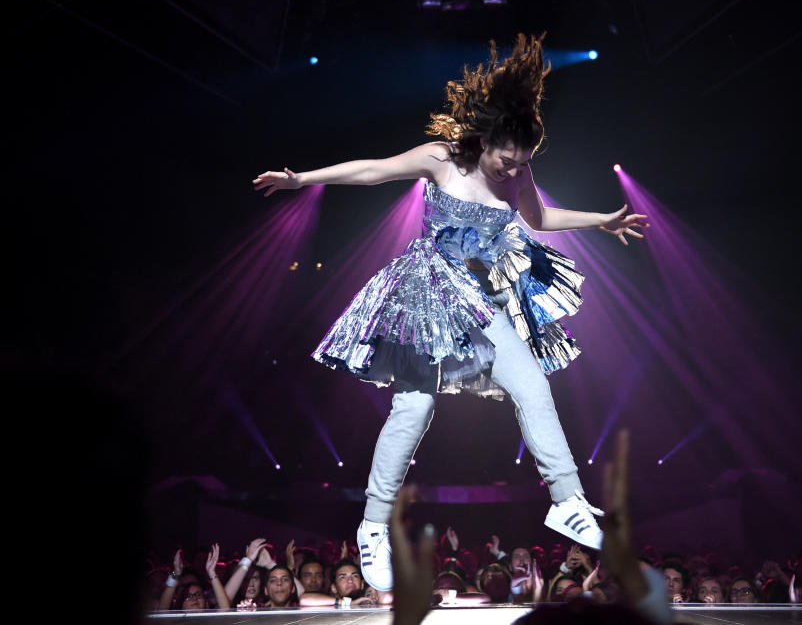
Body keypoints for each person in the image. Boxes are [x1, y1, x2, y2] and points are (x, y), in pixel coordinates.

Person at [253, 32, 649, 593]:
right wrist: (303, 180)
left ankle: (567, 500)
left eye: (523, 161)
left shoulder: (519, 174)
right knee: (413, 411)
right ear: (486, 139)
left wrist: (602, 221)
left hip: (479, 303)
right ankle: (371, 526)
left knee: (533, 385)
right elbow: (374, 170)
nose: (513, 167)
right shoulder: (444, 159)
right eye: (506, 157)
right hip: (423, 298)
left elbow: (539, 219)